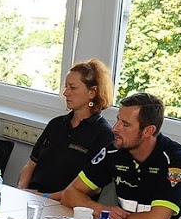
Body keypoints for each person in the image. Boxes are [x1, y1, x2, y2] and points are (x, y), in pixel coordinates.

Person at [60, 92, 181, 219]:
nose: (115, 129)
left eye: (125, 125)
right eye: (117, 120)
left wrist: (112, 217)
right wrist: (100, 210)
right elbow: (69, 194)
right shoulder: (114, 151)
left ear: (148, 131)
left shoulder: (177, 162)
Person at [15, 59, 115, 198]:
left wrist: (46, 197)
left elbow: (92, 188)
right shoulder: (56, 124)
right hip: (33, 197)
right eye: (66, 87)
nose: (65, 93)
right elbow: (31, 164)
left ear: (92, 92)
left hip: (65, 204)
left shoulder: (103, 134)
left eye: (72, 88)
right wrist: (21, 190)